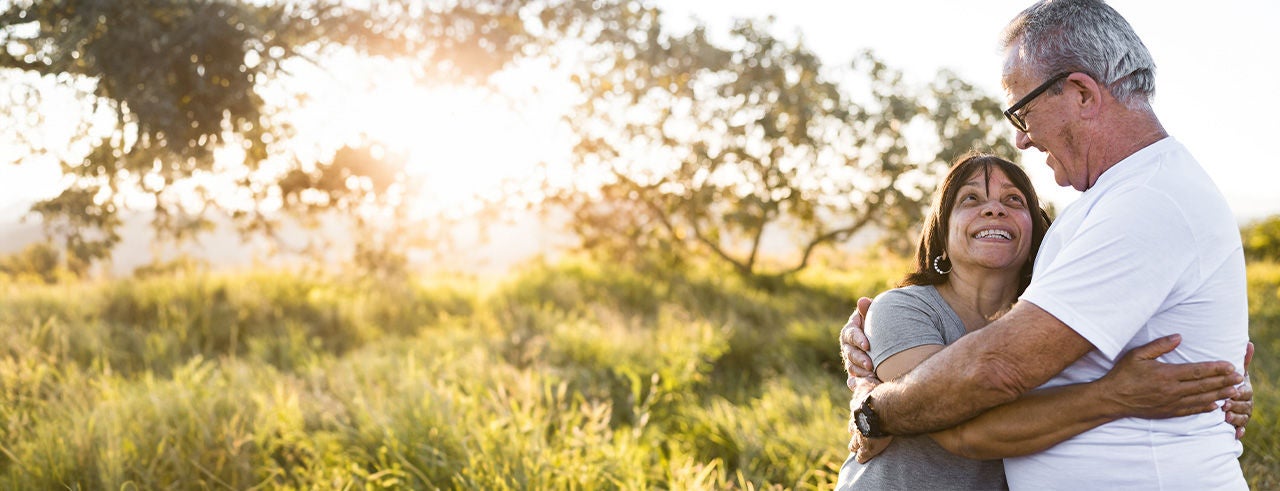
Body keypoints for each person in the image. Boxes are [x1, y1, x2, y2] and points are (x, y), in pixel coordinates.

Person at [838, 0, 1253, 488]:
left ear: (1080, 93)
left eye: (1022, 111)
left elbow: (994, 369)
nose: (1022, 140)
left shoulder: (1146, 202)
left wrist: (875, 405)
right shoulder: (1114, 200)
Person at [833, 153, 1246, 490]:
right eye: (970, 199)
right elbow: (957, 428)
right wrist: (1115, 394)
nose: (994, 207)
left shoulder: (1055, 321)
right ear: (942, 233)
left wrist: (1225, 389)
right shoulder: (902, 309)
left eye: (1014, 200)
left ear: (1036, 230)